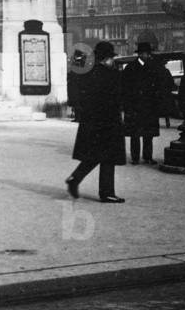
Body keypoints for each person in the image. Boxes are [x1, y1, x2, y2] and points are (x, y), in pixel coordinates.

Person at [65, 41, 126, 203]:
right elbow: (118, 98)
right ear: (107, 58)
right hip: (109, 121)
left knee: (94, 155)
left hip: (91, 121)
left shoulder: (86, 74)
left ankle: (75, 178)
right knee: (108, 157)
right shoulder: (111, 75)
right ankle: (107, 192)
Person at [122, 42, 162, 164]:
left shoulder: (153, 67)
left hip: (149, 106)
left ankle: (147, 157)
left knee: (148, 134)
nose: (147, 55)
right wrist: (127, 106)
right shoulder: (130, 68)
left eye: (148, 53)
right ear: (140, 54)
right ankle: (135, 158)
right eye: (145, 53)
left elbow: (158, 86)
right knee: (135, 134)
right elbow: (125, 88)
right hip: (135, 106)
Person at [66, 49, 87, 121]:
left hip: (76, 86)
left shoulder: (77, 64)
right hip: (77, 86)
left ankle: (78, 117)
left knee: (77, 103)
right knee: (77, 103)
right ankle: (78, 117)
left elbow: (72, 74)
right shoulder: (81, 63)